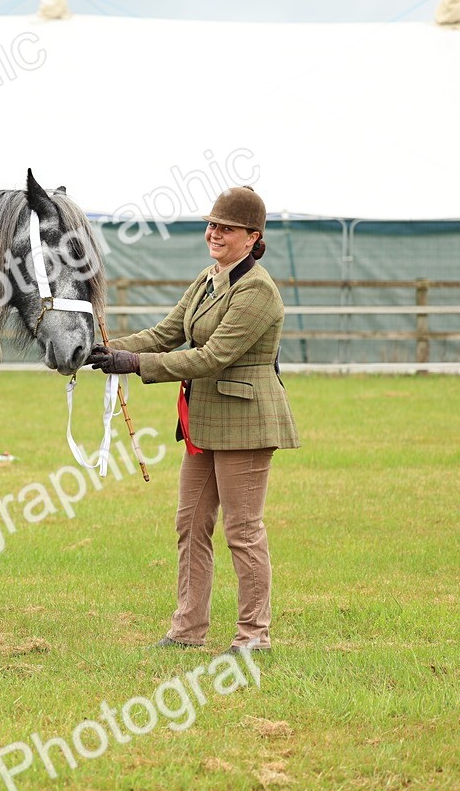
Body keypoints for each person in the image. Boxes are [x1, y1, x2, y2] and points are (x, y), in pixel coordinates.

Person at [89, 186, 299, 654]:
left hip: (246, 421)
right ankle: (187, 631)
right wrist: (106, 350)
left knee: (243, 533)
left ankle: (253, 636)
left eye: (226, 227)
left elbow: (212, 356)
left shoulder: (257, 291)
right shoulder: (208, 279)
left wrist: (136, 366)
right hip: (204, 423)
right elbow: (165, 333)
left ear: (252, 237)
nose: (214, 233)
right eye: (212, 225)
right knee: (190, 524)